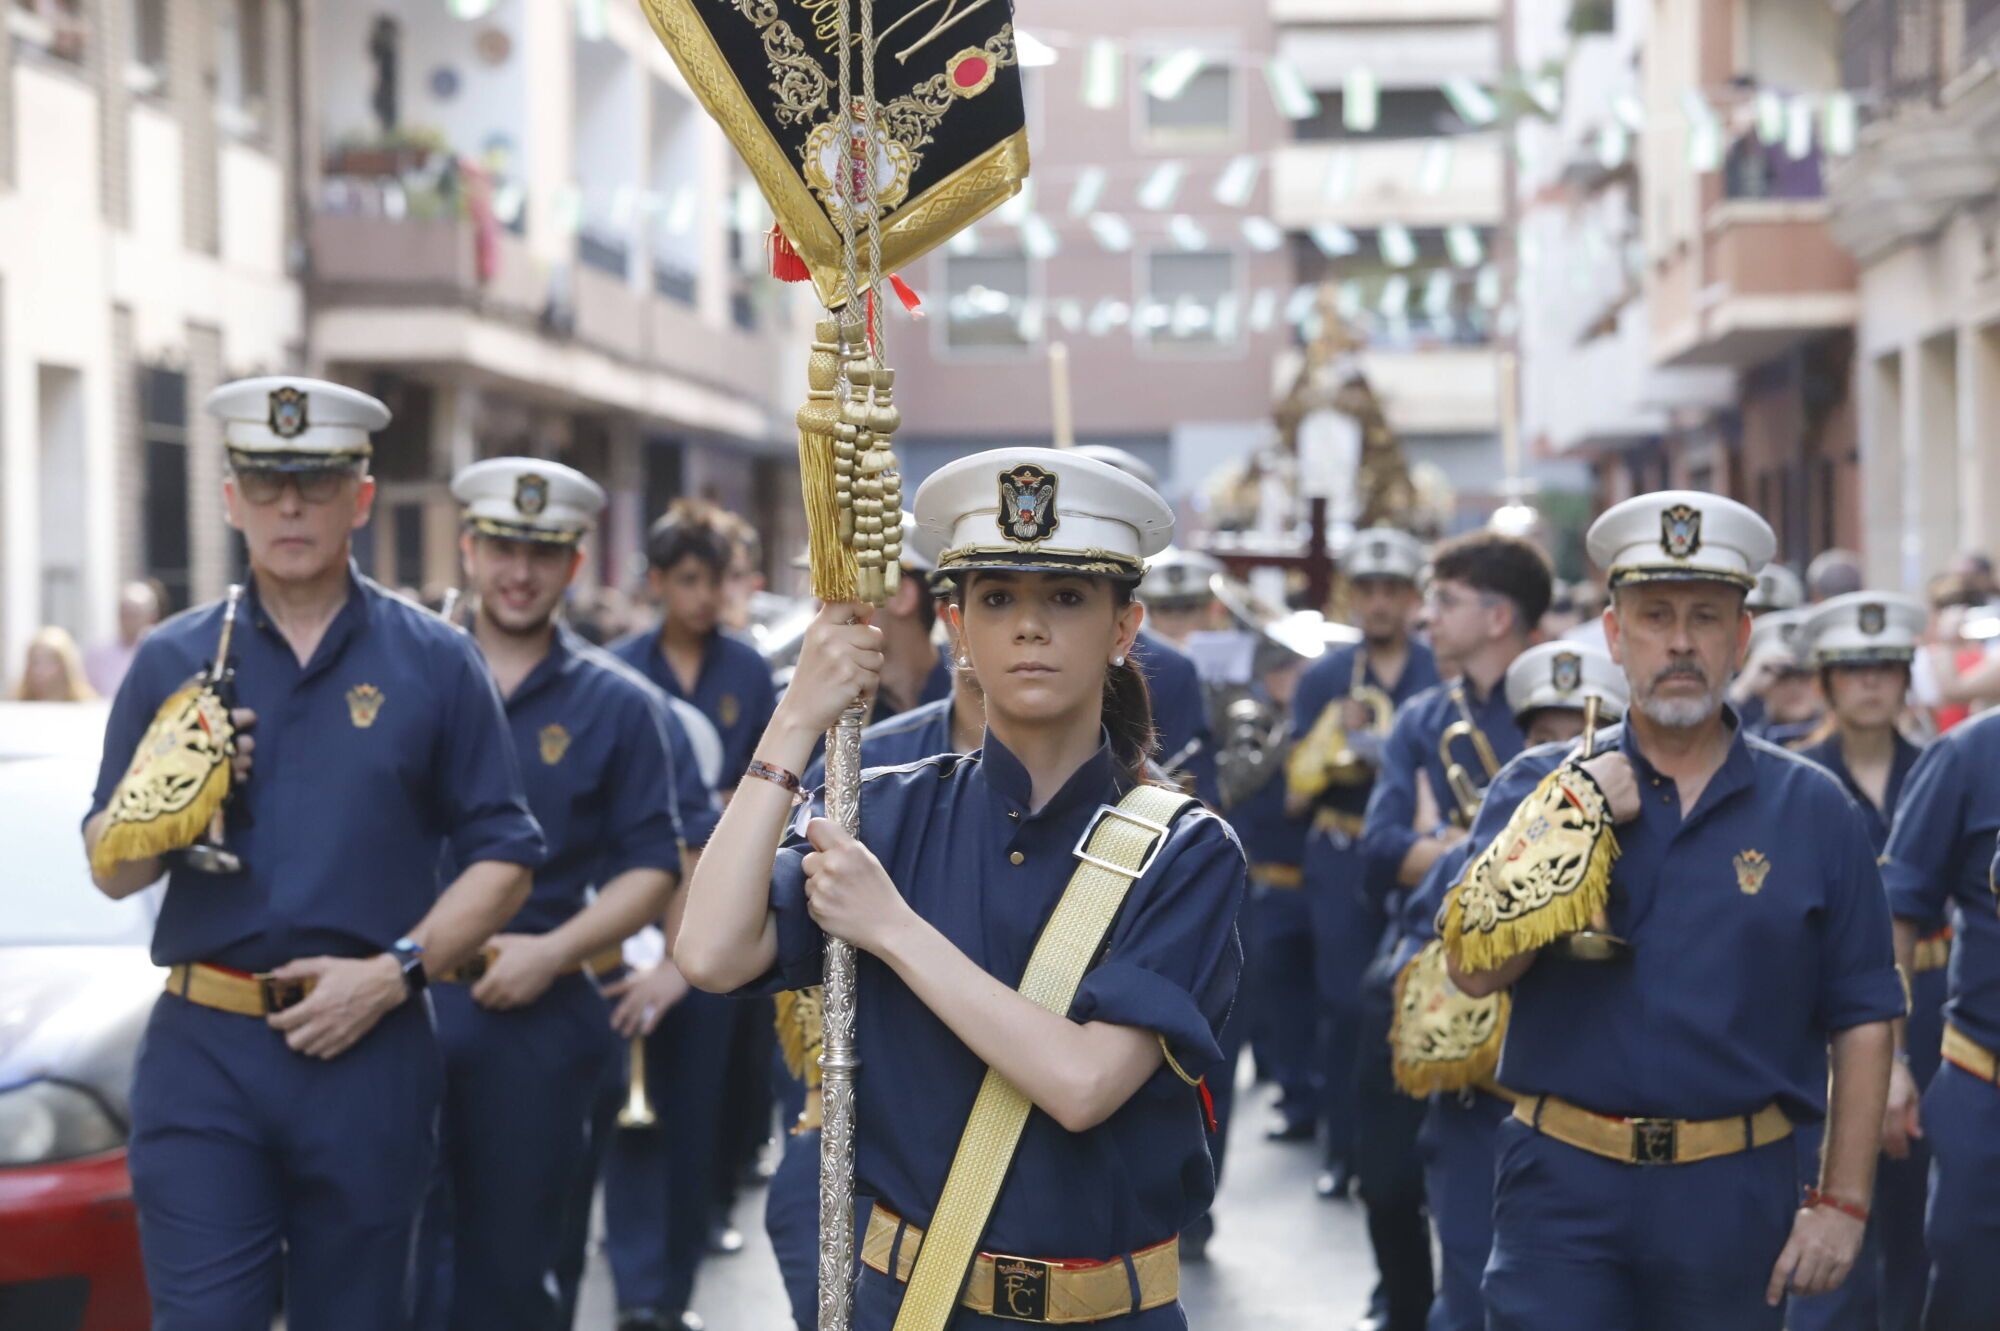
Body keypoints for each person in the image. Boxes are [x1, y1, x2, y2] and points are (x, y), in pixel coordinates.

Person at [676, 446, 1246, 1331]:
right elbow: (710, 952)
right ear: (955, 625)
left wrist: (892, 928)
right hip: (911, 1306)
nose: (1029, 627)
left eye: (1066, 598)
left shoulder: (1184, 848)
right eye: (997, 598)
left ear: (1125, 626)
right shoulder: (888, 812)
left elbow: (1083, 1082)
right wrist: (795, 720)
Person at [82, 377, 546, 1331]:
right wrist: (161, 803)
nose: (288, 505)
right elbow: (109, 866)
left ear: (360, 498)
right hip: (205, 1048)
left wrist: (394, 973)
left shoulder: (435, 659)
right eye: (264, 482)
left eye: (315, 481)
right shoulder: (173, 660)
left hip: (368, 1046)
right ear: (229, 498)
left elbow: (506, 857)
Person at [1442, 490, 1901, 1331]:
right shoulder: (1538, 789)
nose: (1681, 640)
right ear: (1615, 635)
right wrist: (1569, 825)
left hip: (1736, 1191)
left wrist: (1842, 1200)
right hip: (1562, 1188)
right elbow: (1472, 971)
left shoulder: (1815, 808)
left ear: (1743, 637)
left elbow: (1865, 1015)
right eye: (1654, 615)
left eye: (1705, 615)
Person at [413, 458, 685, 1331]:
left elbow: (654, 867)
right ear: (467, 548)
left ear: (575, 563)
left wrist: (550, 952)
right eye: (500, 545)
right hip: (398, 1008)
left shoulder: (620, 705)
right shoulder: (410, 683)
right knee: (393, 1262)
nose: (518, 570)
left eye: (542, 549)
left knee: (521, 1273)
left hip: (542, 1017)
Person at [1395, 641, 1628, 1331]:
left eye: (1582, 733)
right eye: (1546, 737)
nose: (1567, 753)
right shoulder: (1492, 825)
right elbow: (1434, 930)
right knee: (1473, 1298)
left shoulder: (1644, 825)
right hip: (1484, 1106)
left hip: (1597, 1115)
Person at [1354, 530, 1549, 1331]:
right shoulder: (1422, 719)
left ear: (1499, 615)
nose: (1424, 613)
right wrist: (1503, 849)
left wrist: (1450, 843)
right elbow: (1379, 851)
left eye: (1445, 599)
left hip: (1536, 984)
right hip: (1420, 972)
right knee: (1391, 1181)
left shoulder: (1563, 704)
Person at [1784, 591, 1934, 1331]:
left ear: (1908, 679)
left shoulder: (1943, 767)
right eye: (1853, 668)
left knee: (1923, 1226)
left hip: (1932, 1009)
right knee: (1826, 1220)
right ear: (1827, 681)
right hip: (1822, 1020)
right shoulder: (1790, 780)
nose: (1871, 683)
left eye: (1886, 667)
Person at [1289, 527, 1439, 1213]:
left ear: (1413, 599)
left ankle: (1422, 1151)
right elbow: (1293, 791)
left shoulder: (1439, 672)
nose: (1380, 603)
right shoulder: (1323, 675)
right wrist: (1328, 738)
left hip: (1422, 856)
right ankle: (1344, 1151)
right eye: (1369, 590)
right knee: (1345, 1007)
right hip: (1343, 854)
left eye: (1393, 590)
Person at [1878, 670, 2000, 1328]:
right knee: (1969, 1297)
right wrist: (1892, 1059)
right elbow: (1896, 915)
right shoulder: (1969, 755)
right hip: (1986, 1092)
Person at [611, 499, 779, 792]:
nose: (704, 596)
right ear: (657, 581)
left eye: (714, 581)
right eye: (689, 580)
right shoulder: (619, 669)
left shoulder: (750, 668)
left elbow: (772, 769)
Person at [84, 580, 163, 696]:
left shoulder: (160, 651)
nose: (128, 620)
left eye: (134, 614)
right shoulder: (98, 653)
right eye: (124, 613)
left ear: (151, 616)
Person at [13, 625, 97, 700]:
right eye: (35, 662)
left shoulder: (86, 704)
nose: (40, 670)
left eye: (49, 661)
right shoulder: (16, 703)